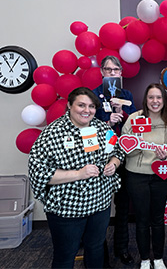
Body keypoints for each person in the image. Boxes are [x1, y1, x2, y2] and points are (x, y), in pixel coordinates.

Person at [28, 87, 124, 268]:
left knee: (95, 249)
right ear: (69, 106)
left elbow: (118, 151)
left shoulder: (102, 128)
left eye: (91, 106)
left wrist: (113, 164)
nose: (87, 110)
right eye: (81, 105)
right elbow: (38, 173)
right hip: (67, 209)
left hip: (99, 204)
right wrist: (79, 174)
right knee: (65, 255)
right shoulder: (52, 133)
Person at [122, 83, 167, 269]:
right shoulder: (133, 119)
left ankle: (159, 258)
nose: (155, 101)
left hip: (161, 175)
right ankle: (145, 259)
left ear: (164, 100)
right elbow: (124, 150)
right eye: (151, 97)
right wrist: (135, 145)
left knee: (158, 218)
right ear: (145, 100)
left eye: (159, 97)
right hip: (136, 175)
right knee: (142, 219)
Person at [93, 55, 136, 265]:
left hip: (124, 158)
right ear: (102, 72)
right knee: (99, 207)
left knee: (123, 205)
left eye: (116, 70)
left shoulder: (127, 95)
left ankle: (122, 248)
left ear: (121, 73)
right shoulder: (93, 95)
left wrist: (122, 113)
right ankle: (99, 254)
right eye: (108, 70)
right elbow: (86, 127)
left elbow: (137, 126)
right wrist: (106, 120)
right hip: (100, 158)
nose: (112, 73)